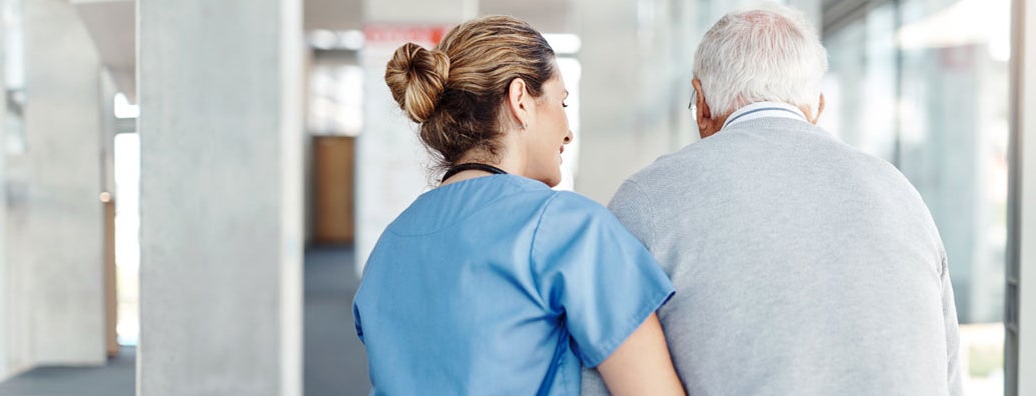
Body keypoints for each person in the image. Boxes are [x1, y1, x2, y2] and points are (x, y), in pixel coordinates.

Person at [582, 3, 962, 395]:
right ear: (817, 107)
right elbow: (949, 375)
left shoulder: (647, 200)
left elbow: (600, 374)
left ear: (703, 103)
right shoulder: (900, 194)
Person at [352, 15, 686, 395]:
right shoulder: (567, 228)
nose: (568, 129)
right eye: (561, 101)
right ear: (520, 100)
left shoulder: (389, 247)